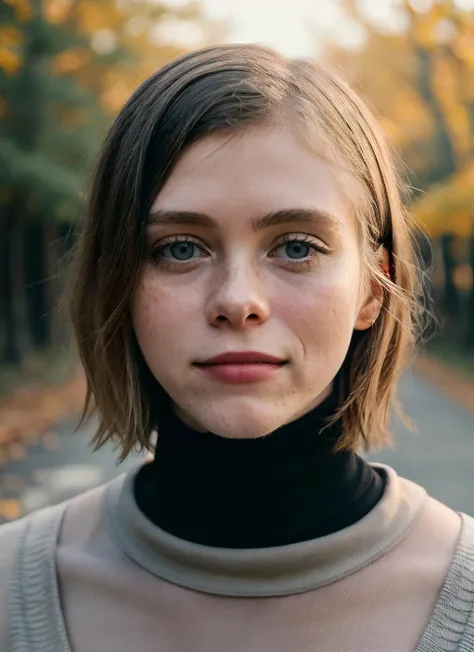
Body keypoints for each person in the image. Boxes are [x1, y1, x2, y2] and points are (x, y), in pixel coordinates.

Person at [1, 43, 473, 652]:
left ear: (371, 289)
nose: (238, 300)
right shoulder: (13, 593)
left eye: (297, 246)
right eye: (179, 248)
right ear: (116, 279)